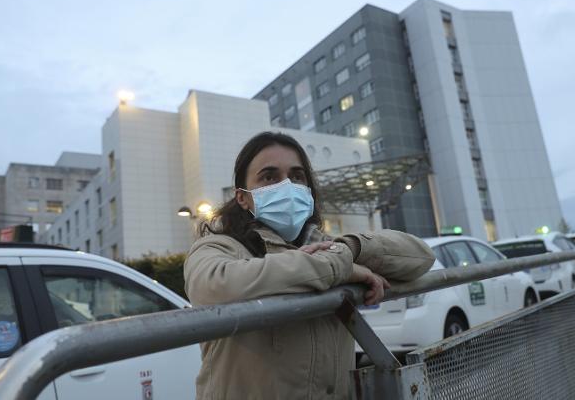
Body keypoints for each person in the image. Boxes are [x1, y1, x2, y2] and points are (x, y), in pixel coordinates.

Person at [184, 132, 435, 399]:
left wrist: (349, 249)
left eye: (297, 176)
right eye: (269, 176)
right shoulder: (220, 245)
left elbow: (421, 257)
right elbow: (211, 286)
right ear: (243, 198)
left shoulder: (330, 248)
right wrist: (341, 269)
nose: (287, 187)